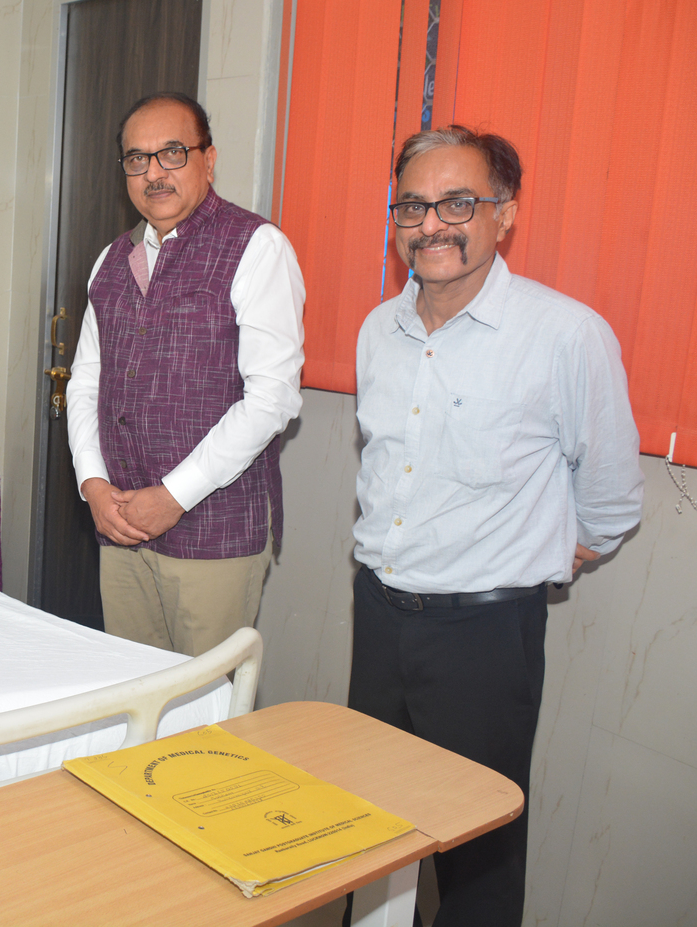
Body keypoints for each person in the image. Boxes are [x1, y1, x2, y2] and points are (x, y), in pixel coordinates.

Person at [350, 126, 643, 926]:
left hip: (483, 636)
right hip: (378, 614)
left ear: (503, 213)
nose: (430, 224)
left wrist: (542, 552)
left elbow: (611, 499)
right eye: (412, 205)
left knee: (477, 857)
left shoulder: (564, 334)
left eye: (457, 203)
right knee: (362, 828)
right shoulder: (378, 330)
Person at [65, 92, 305, 656]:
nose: (154, 172)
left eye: (172, 153)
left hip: (214, 535)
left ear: (208, 159)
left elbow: (271, 398)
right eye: (137, 158)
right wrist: (92, 484)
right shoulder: (110, 260)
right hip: (120, 526)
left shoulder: (256, 247)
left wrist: (174, 495)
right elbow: (86, 381)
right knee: (133, 687)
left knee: (206, 700)